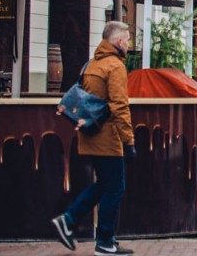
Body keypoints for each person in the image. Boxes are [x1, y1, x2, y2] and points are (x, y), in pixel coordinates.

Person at [51, 21, 136, 255]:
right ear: (118, 42)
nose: (129, 44)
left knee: (104, 185)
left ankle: (70, 220)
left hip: (89, 136)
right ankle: (104, 241)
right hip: (107, 138)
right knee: (115, 187)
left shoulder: (90, 64)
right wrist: (129, 141)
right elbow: (120, 106)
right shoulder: (115, 67)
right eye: (127, 40)